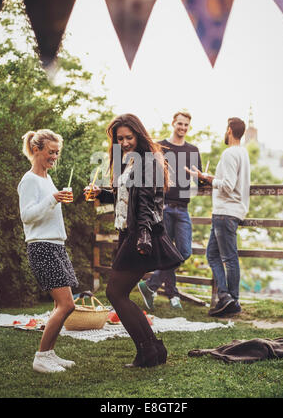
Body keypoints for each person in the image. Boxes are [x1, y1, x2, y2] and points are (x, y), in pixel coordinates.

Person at [88, 114, 183, 368]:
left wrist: (141, 236)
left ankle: (149, 351)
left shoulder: (148, 161)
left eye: (129, 137)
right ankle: (152, 350)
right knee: (120, 294)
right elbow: (127, 198)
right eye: (120, 138)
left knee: (115, 293)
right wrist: (103, 194)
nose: (125, 141)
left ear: (139, 135)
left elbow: (145, 204)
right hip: (131, 232)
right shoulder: (129, 161)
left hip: (142, 233)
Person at [18, 129, 78, 373]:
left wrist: (58, 198)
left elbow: (47, 210)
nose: (54, 157)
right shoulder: (29, 180)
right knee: (66, 305)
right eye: (50, 152)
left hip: (55, 245)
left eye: (57, 152)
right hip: (42, 247)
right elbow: (27, 216)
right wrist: (53, 199)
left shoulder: (46, 178)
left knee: (61, 305)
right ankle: (41, 357)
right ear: (36, 150)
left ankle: (49, 353)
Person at [138, 110, 203, 309]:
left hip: (183, 208)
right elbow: (148, 174)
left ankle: (151, 285)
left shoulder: (193, 150)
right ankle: (172, 294)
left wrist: (203, 177)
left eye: (186, 125)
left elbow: (199, 179)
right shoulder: (160, 147)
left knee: (183, 251)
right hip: (163, 207)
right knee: (166, 251)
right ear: (173, 123)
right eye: (180, 124)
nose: (183, 128)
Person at [186, 117, 250, 316]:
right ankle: (226, 297)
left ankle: (232, 300)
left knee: (229, 258)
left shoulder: (230, 153)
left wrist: (208, 179)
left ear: (229, 130)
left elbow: (228, 185)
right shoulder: (243, 153)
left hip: (225, 212)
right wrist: (209, 178)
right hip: (229, 211)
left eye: (226, 128)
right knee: (212, 255)